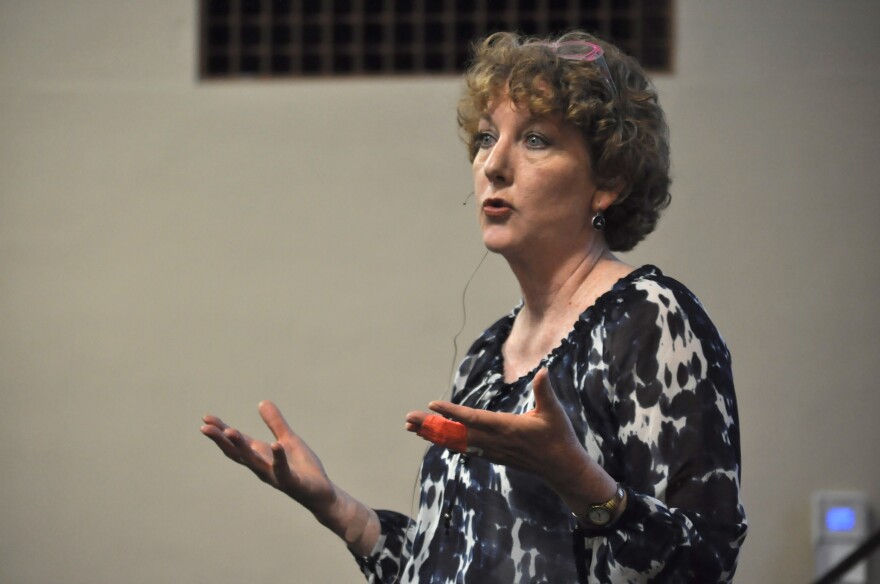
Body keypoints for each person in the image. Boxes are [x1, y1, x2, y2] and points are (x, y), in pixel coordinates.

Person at [201, 30, 747, 583]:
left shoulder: (650, 319)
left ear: (606, 182)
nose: (494, 165)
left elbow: (705, 565)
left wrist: (580, 481)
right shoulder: (490, 351)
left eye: (535, 140)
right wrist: (338, 509)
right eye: (487, 138)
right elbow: (456, 566)